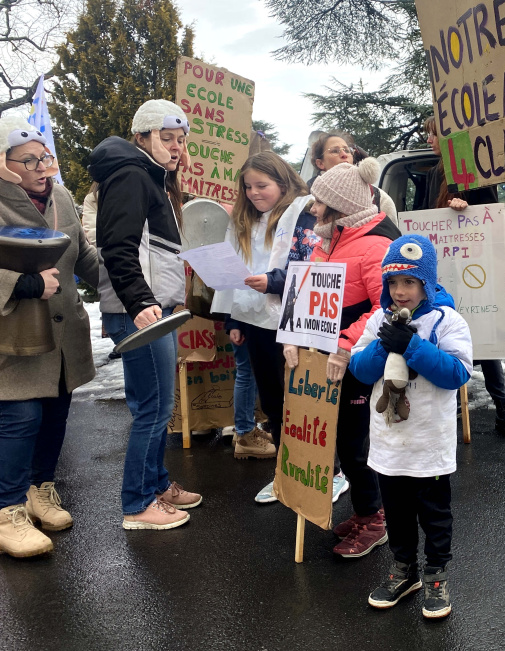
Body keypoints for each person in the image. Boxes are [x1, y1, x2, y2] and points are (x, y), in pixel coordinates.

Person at [90, 99, 200, 530]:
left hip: (155, 308)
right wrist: (139, 303)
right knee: (154, 408)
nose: (176, 148)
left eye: (180, 140)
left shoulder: (149, 176)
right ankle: (137, 504)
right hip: (142, 311)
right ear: (142, 137)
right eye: (167, 138)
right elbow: (117, 246)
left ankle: (156, 484)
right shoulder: (133, 175)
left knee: (157, 404)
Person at [349, 235, 472, 618]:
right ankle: (405, 569)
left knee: (434, 513)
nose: (400, 292)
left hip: (428, 441)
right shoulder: (377, 320)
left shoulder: (447, 320)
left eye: (409, 282)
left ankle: (436, 573)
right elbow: (359, 369)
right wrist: (385, 345)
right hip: (389, 443)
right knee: (397, 511)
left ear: (427, 283)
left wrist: (413, 347)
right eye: (393, 283)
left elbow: (457, 372)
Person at [284, 157, 401, 558]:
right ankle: (366, 509)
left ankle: (375, 518)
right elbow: (306, 296)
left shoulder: (376, 246)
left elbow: (385, 307)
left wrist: (347, 344)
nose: (312, 208)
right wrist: (292, 337)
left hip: (354, 362)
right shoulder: (327, 240)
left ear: (340, 206)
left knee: (355, 442)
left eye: (318, 202)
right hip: (323, 358)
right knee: (334, 437)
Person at [0, 115, 98, 557]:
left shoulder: (59, 195)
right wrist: (24, 285)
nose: (43, 168)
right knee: (21, 420)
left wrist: (130, 282)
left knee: (57, 413)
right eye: (30, 161)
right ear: (3, 165)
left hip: (63, 333)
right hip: (14, 333)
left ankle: (40, 490)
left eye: (46, 158)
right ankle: (7, 511)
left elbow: (83, 253)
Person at [211, 151, 317, 467]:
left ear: (283, 183)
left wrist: (271, 282)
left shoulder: (304, 213)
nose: (254, 193)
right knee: (272, 401)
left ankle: (312, 467)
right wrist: (233, 320)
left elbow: (310, 264)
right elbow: (235, 272)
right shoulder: (244, 220)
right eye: (248, 187)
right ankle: (287, 470)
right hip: (254, 320)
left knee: (300, 400)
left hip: (295, 322)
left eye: (262, 185)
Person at [420, 116, 505, 438]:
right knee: (448, 332)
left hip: (477, 266)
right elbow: (425, 214)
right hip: (446, 266)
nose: (429, 140)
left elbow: (491, 213)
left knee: (483, 336)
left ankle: (504, 408)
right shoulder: (435, 173)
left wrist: (467, 205)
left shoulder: (473, 170)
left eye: (433, 135)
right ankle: (455, 409)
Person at [307, 131, 397, 224]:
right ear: (320, 163)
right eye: (335, 151)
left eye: (347, 150)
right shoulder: (305, 196)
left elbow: (391, 235)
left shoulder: (378, 196)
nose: (344, 154)